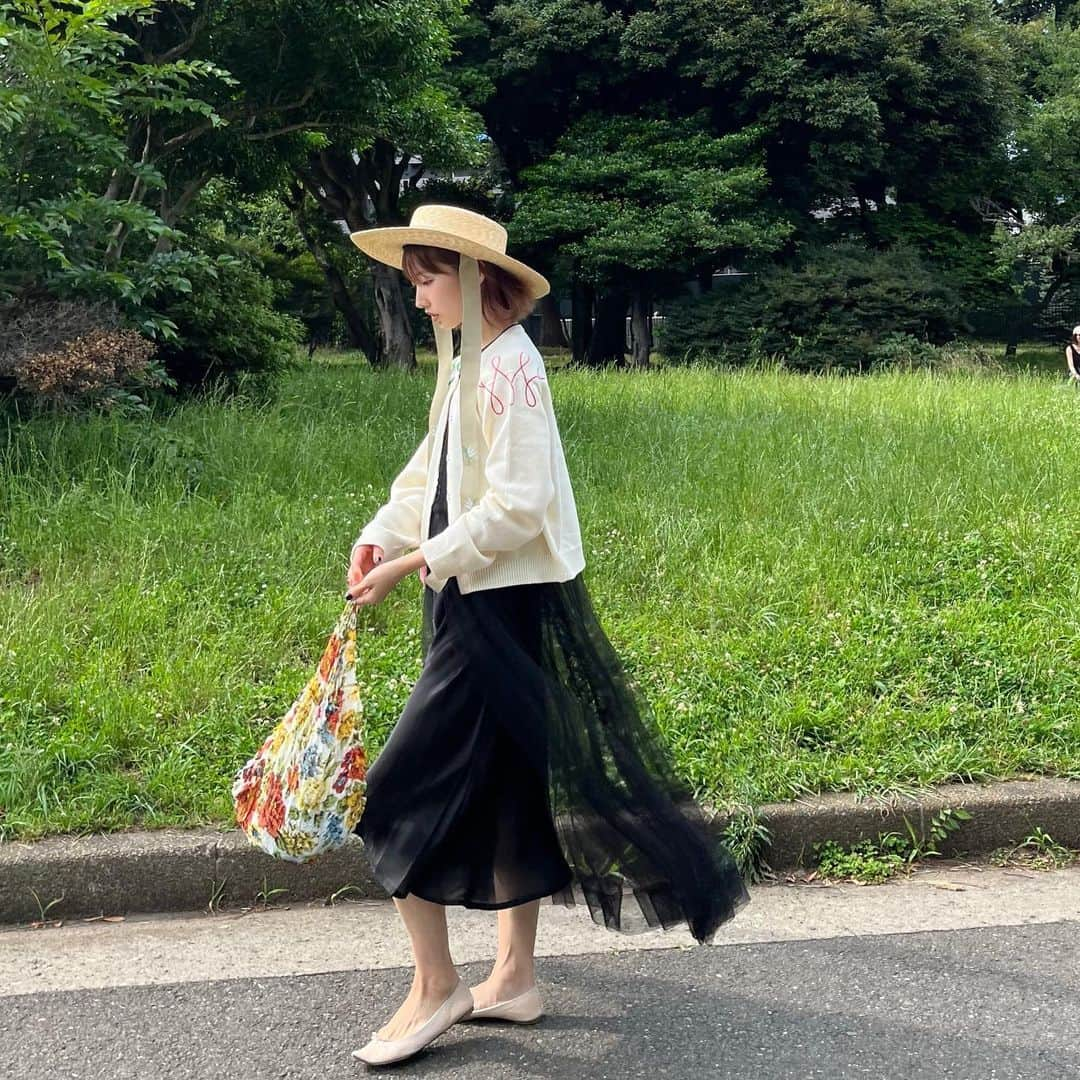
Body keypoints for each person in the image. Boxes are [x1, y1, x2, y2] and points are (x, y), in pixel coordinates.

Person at [343, 204, 750, 1067]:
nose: (417, 300)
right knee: (509, 781)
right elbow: (437, 467)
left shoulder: (511, 368)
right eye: (412, 282)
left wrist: (418, 563)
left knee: (393, 793)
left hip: (492, 602)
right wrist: (385, 529)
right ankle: (516, 978)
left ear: (470, 276)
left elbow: (519, 501)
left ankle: (436, 986)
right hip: (474, 594)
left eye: (425, 281)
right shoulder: (469, 360)